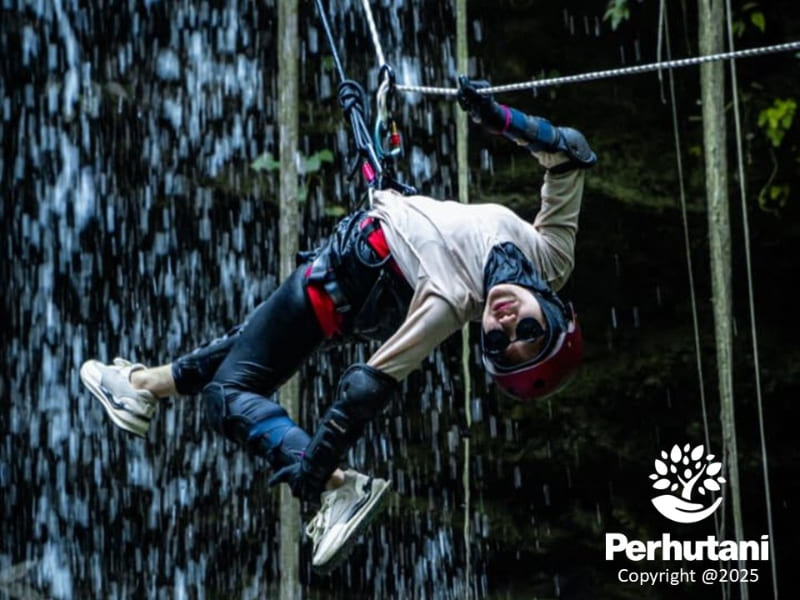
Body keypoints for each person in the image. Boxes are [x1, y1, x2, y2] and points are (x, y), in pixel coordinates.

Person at [79, 77, 597, 573]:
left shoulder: (449, 299)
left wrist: (314, 472)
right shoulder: (549, 263)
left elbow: (365, 388)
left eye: (497, 343)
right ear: (553, 316)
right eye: (527, 333)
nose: (505, 325)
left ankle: (340, 488)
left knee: (227, 396)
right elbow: (570, 153)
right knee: (245, 349)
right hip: (358, 256)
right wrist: (498, 117)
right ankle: (140, 387)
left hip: (335, 286)